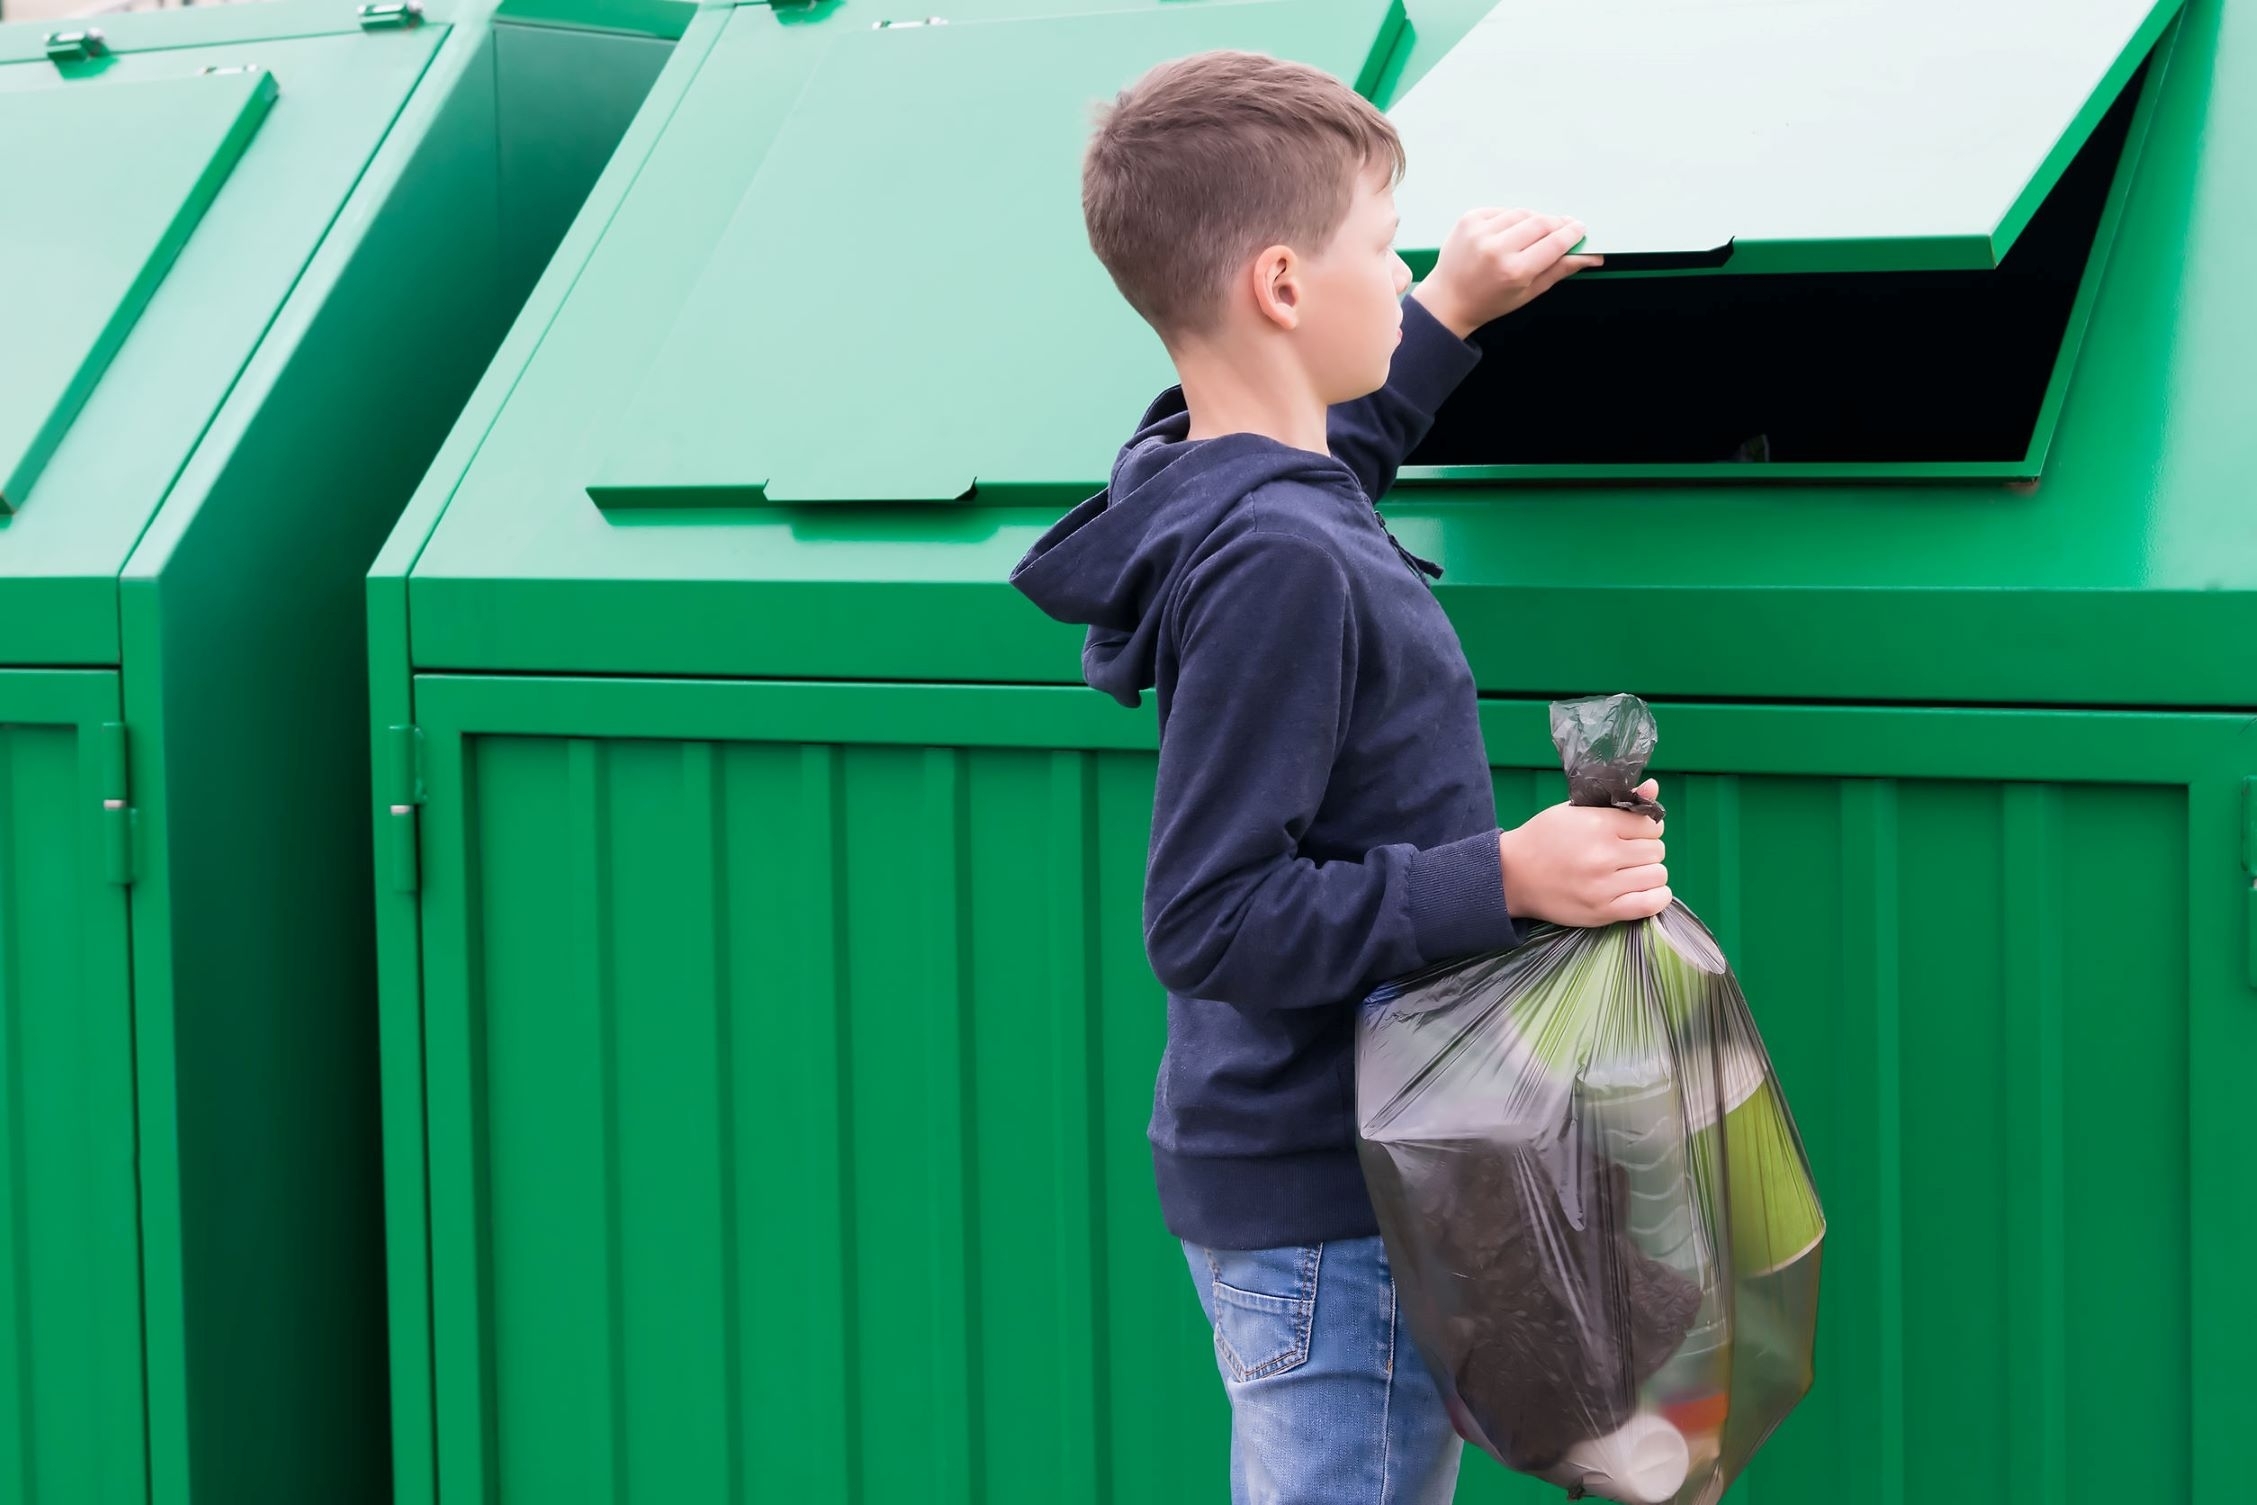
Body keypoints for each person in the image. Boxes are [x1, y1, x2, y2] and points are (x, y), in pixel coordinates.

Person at [1010, 49, 1672, 1505]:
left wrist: (1440, 319)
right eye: (1386, 247)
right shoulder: (1277, 560)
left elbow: (1316, 459)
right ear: (1282, 287)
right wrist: (1503, 873)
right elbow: (1209, 918)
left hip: (1325, 1163)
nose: (1405, 267)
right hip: (1336, 1187)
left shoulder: (1217, 481)